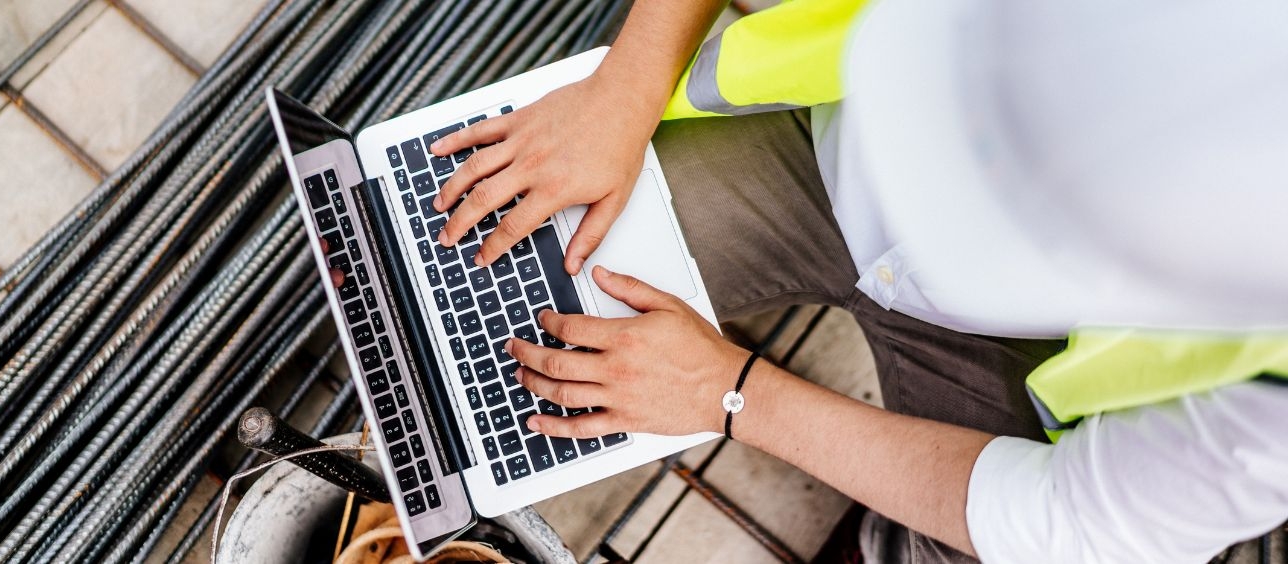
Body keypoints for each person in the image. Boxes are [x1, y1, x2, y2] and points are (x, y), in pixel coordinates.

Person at [424, 0, 1288, 562]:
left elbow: (1071, 525)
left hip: (1032, 355)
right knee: (494, 289)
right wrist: (627, 85)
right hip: (821, 136)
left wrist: (730, 394)